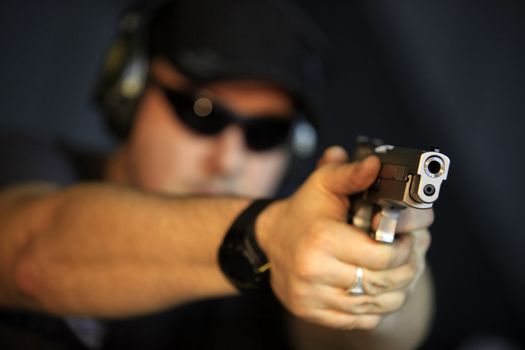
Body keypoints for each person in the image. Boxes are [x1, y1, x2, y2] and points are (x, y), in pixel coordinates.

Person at [0, 0, 434, 349]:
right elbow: (28, 253)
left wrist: (388, 279)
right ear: (128, 92)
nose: (228, 160)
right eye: (201, 113)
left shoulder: (290, 246)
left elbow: (374, 340)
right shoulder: (29, 164)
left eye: (266, 133)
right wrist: (259, 235)